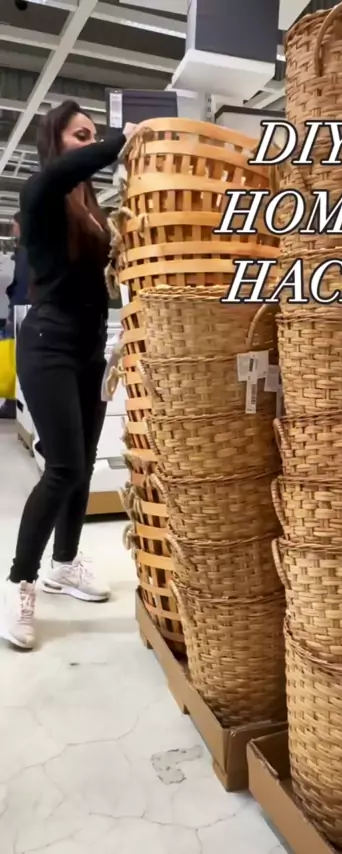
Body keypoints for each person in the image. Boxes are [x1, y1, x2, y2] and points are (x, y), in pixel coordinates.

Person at [0, 100, 136, 650]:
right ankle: (21, 583)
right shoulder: (41, 192)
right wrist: (125, 138)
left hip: (87, 349)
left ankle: (64, 564)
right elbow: (67, 170)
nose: (91, 141)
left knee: (81, 466)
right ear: (55, 141)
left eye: (94, 134)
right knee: (61, 468)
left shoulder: (91, 210)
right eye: (81, 134)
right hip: (48, 345)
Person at [0, 212, 30, 420]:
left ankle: (14, 404)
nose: (13, 228)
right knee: (17, 358)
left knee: (15, 358)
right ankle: (14, 403)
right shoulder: (30, 249)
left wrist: (13, 311)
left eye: (15, 224)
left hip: (21, 312)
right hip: (23, 310)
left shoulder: (25, 250)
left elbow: (21, 285)